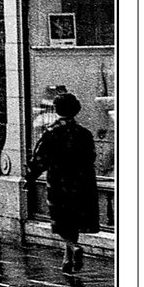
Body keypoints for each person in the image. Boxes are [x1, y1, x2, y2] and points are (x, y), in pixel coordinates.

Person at [26, 91, 101, 273]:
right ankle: (67, 260)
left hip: (60, 182)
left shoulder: (52, 132)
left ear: (57, 109)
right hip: (82, 182)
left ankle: (73, 247)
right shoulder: (84, 133)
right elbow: (91, 157)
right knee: (73, 220)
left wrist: (30, 177)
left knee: (60, 220)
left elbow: (40, 159)